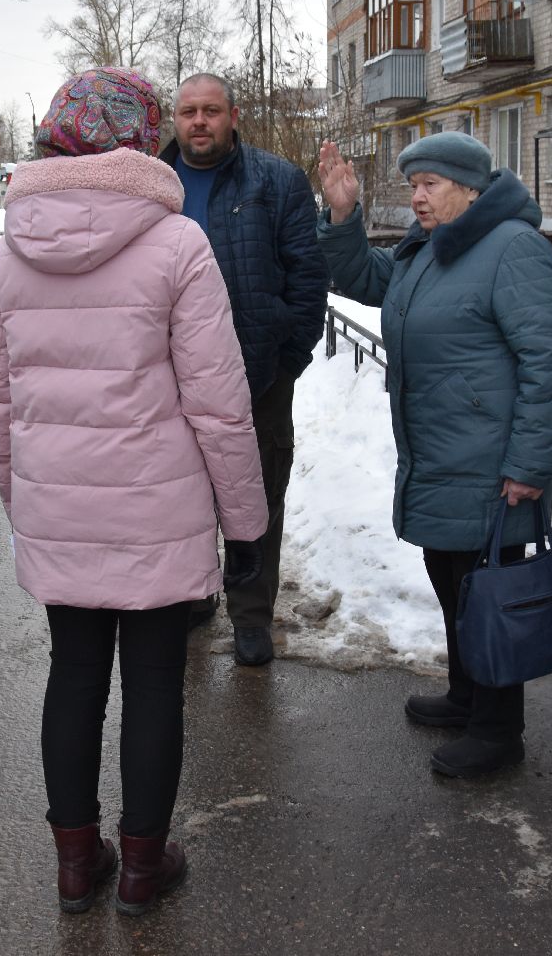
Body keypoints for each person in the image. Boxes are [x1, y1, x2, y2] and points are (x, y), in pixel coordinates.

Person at [0, 68, 267, 916]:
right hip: (156, 510)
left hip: (59, 510)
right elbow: (219, 400)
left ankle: (76, 864)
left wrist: (24, 503)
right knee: (151, 684)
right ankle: (143, 867)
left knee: (72, 676)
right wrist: (245, 525)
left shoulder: (9, 253)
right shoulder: (177, 244)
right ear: (142, 138)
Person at [314, 133, 552, 778]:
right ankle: (467, 697)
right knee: (453, 583)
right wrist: (344, 217)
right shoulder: (434, 248)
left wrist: (529, 464)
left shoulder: (513, 249)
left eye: (429, 184)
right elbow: (370, 281)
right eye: (413, 185)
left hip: (489, 462)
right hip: (439, 452)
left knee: (487, 590)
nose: (417, 196)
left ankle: (497, 732)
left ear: (469, 187)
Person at [159, 72, 329, 667]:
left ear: (233, 116)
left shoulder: (276, 180)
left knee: (256, 492)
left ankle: (252, 615)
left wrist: (288, 357)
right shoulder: (154, 185)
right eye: (188, 112)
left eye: (210, 111)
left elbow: (308, 276)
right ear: (173, 120)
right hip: (169, 374)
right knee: (184, 492)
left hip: (256, 372)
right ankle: (196, 593)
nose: (198, 122)